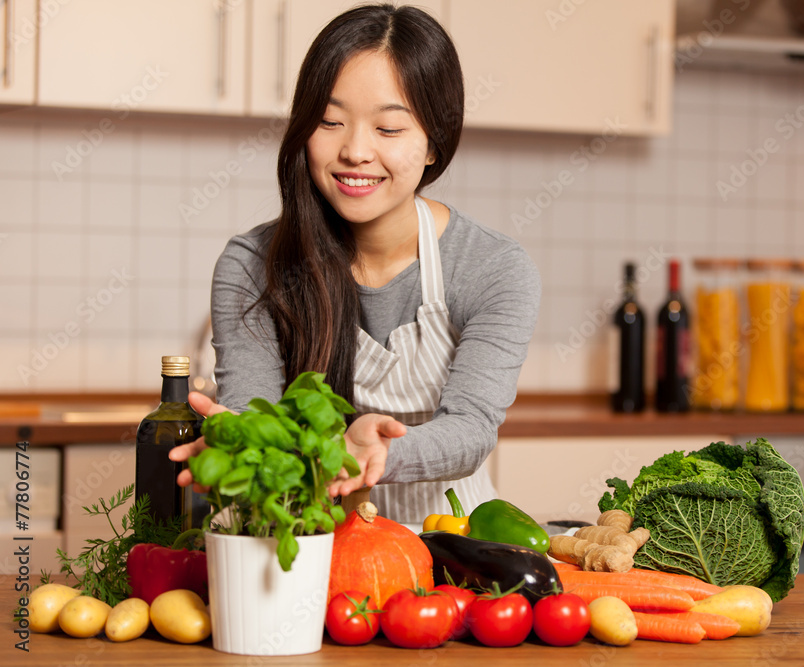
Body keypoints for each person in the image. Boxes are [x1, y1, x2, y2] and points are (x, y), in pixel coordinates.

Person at [169, 3, 540, 524]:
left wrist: (377, 452)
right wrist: (239, 437)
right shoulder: (253, 264)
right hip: (301, 543)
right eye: (330, 121)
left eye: (389, 129)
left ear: (434, 143)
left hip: (451, 550)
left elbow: (471, 429)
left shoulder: (492, 267)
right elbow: (256, 409)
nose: (355, 151)